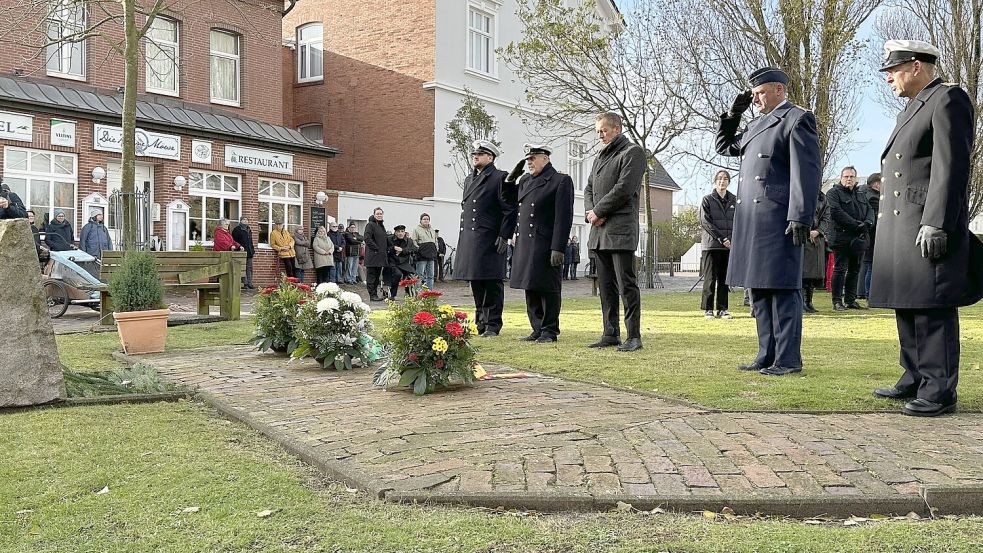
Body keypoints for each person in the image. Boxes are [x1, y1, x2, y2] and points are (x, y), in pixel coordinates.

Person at [870, 40, 983, 417]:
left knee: (931, 307)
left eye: (893, 69)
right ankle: (915, 376)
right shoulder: (912, 108)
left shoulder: (948, 99)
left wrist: (936, 221)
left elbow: (951, 168)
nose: (888, 77)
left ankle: (939, 390)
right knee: (907, 301)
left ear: (916, 66)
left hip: (925, 220)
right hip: (903, 223)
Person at [716, 66, 821, 376]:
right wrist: (733, 114)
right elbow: (725, 147)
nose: (757, 99)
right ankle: (766, 354)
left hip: (778, 216)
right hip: (751, 217)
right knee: (759, 288)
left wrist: (801, 216)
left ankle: (788, 359)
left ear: (779, 90)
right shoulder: (755, 124)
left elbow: (807, 171)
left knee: (783, 289)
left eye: (761, 93)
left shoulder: (796, 119)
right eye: (754, 95)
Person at [584, 112, 647, 352]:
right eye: (598, 131)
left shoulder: (632, 153)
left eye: (604, 130)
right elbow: (589, 187)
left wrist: (599, 211)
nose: (600, 135)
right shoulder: (600, 157)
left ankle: (634, 336)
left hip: (620, 231)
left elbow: (624, 189)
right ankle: (610, 333)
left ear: (617, 129)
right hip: (599, 232)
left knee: (626, 285)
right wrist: (591, 211)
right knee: (606, 287)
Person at [509, 143, 574, 343]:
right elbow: (508, 201)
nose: (529, 162)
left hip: (545, 242)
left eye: (533, 158)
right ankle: (536, 328)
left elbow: (563, 217)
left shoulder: (559, 180)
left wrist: (558, 247)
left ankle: (549, 330)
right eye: (527, 159)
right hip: (526, 243)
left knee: (548, 287)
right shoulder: (525, 180)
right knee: (531, 285)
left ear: (545, 158)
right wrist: (510, 179)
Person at [454, 140, 518, 337]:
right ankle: (480, 321)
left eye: (480, 153)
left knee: (491, 282)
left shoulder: (500, 178)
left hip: (490, 237)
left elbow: (510, 209)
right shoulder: (468, 179)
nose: (476, 156)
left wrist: (504, 235)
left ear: (490, 157)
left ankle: (492, 324)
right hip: (472, 238)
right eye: (475, 153)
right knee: (476, 281)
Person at [826, 166, 874, 311]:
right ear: (841, 178)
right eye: (846, 176)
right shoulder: (833, 193)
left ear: (856, 179)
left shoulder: (860, 194)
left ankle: (850, 300)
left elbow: (870, 210)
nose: (849, 179)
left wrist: (867, 223)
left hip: (858, 238)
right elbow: (835, 212)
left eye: (851, 177)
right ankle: (837, 301)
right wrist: (856, 225)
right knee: (840, 269)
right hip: (841, 237)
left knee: (855, 269)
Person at [699, 170, 737, 319]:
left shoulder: (734, 200)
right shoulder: (707, 200)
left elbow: (739, 222)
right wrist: (722, 238)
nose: (722, 181)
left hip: (728, 247)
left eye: (725, 179)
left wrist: (732, 239)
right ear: (715, 181)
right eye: (720, 179)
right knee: (710, 278)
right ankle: (708, 309)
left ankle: (722, 309)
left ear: (728, 182)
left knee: (724, 279)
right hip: (711, 245)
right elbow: (705, 222)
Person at [802, 190, 830, 313]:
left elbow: (826, 217)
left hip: (817, 239)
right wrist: (805, 231)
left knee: (814, 273)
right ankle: (802, 301)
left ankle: (809, 301)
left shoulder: (822, 197)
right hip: (801, 236)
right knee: (802, 272)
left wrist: (818, 231)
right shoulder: (799, 192)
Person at [856, 172, 881, 300]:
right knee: (870, 264)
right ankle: (868, 292)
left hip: (863, 234)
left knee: (864, 263)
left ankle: (860, 291)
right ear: (876, 184)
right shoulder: (874, 198)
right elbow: (877, 217)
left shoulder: (862, 194)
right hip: (872, 234)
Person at [363, 207, 390, 301]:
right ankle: (372, 295)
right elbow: (367, 238)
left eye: (380, 214)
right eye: (377, 214)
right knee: (371, 277)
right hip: (372, 256)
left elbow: (384, 240)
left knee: (377, 277)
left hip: (380, 257)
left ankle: (375, 294)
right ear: (374, 215)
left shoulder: (382, 226)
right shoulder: (370, 225)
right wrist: (376, 248)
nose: (379, 215)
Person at [388, 224, 418, 299]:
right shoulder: (389, 239)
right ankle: (393, 294)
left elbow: (414, 249)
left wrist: (402, 250)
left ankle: (408, 292)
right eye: (398, 231)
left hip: (404, 263)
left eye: (402, 231)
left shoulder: (409, 241)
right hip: (393, 263)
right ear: (395, 233)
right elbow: (385, 249)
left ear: (404, 232)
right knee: (397, 274)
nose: (400, 233)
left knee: (412, 274)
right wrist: (394, 248)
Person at [411, 213, 438, 289]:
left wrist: (436, 249)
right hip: (422, 256)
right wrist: (419, 249)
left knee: (431, 276)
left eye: (427, 219)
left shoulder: (432, 230)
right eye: (424, 219)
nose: (426, 220)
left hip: (431, 255)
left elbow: (435, 241)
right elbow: (414, 241)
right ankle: (418, 292)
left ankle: (429, 292)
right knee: (420, 275)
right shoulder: (416, 229)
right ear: (421, 220)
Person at [231, 217, 256, 289]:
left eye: (247, 219)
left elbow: (250, 241)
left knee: (249, 268)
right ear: (241, 221)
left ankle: (250, 283)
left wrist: (252, 250)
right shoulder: (237, 230)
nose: (245, 221)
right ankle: (245, 283)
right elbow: (234, 241)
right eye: (244, 219)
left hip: (249, 251)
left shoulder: (249, 229)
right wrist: (238, 248)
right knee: (243, 268)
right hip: (241, 251)